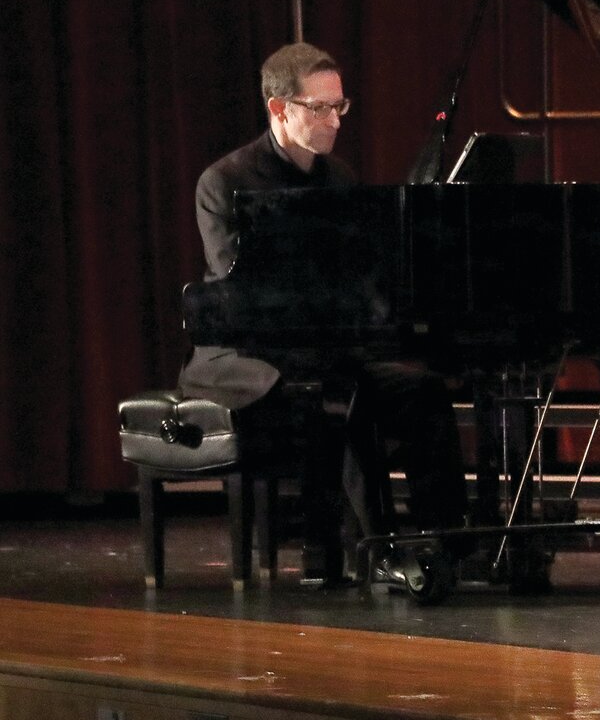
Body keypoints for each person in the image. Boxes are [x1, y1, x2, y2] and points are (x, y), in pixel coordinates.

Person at [179, 42, 467, 582]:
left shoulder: (340, 179)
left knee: (423, 390)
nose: (335, 120)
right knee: (342, 391)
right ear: (278, 108)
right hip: (243, 356)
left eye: (340, 107)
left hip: (324, 348)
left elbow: (362, 276)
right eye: (320, 108)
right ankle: (374, 550)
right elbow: (236, 291)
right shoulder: (224, 181)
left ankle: (447, 541)